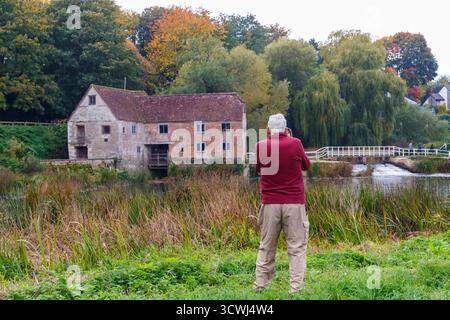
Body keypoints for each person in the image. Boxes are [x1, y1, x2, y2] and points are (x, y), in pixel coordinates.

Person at [254, 114, 311, 294]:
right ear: (286, 129)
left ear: (269, 130)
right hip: (294, 204)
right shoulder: (295, 144)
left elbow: (259, 168)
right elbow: (306, 165)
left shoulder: (260, 146)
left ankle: (261, 286)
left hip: (270, 204)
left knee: (266, 246)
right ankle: (296, 289)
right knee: (296, 248)